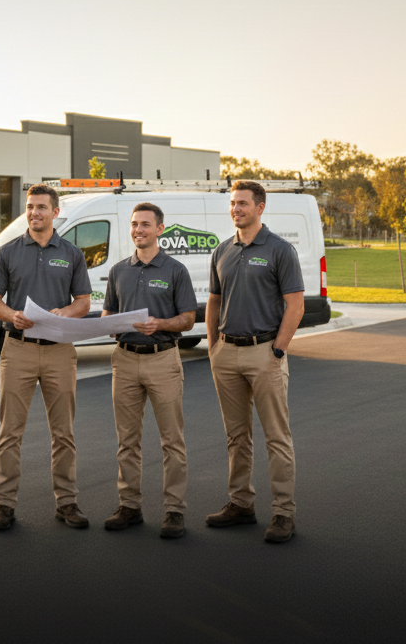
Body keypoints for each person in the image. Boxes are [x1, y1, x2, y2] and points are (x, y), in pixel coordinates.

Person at [0, 183, 92, 531]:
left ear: (55, 212)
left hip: (59, 350)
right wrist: (9, 314)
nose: (34, 213)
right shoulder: (8, 251)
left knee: (63, 432)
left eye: (41, 208)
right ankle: (4, 504)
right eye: (30, 207)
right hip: (17, 349)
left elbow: (84, 302)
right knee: (10, 432)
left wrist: (67, 312)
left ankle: (67, 502)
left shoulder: (73, 253)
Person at [205, 180, 304, 543]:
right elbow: (214, 302)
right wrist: (214, 345)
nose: (236, 209)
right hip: (226, 354)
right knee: (236, 436)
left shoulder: (280, 250)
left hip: (265, 352)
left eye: (243, 203)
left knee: (276, 437)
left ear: (260, 207)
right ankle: (241, 503)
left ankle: (283, 513)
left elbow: (295, 304)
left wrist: (278, 349)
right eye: (233, 204)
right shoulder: (221, 251)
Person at [101, 202, 197, 538]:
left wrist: (161, 323)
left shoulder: (175, 270)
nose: (138, 230)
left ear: (160, 229)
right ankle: (129, 506)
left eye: (145, 224)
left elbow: (188, 319)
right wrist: (110, 324)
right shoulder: (118, 271)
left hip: (162, 358)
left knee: (172, 440)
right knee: (127, 440)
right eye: (134, 224)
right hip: (124, 358)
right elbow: (107, 313)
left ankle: (174, 510)